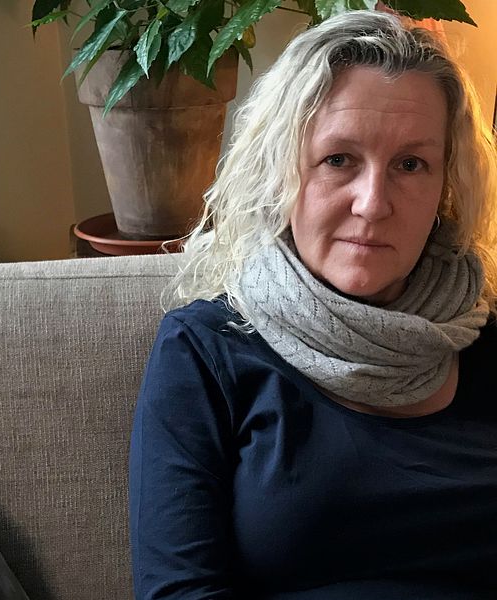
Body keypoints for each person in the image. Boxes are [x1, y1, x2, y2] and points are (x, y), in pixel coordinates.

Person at [129, 9, 497, 599]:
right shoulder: (207, 350)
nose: (372, 204)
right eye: (339, 159)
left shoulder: (484, 333)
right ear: (282, 171)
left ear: (445, 188)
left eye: (410, 164)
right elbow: (180, 591)